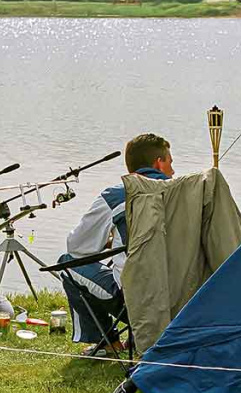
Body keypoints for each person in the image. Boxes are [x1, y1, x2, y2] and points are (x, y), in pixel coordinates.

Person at [59, 133, 174, 355]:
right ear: (158, 163)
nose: (173, 170)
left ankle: (107, 342)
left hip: (135, 299)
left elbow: (77, 246)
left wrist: (109, 240)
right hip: (184, 295)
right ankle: (138, 337)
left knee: (67, 263)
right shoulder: (186, 192)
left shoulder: (116, 196)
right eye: (171, 162)